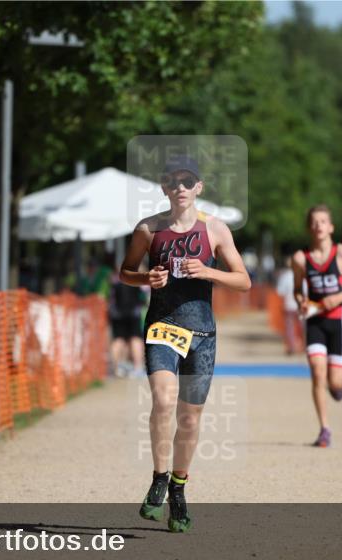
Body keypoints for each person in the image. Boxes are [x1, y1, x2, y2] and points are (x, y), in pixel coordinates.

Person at [119, 155, 250, 533]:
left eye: (186, 181)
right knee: (162, 400)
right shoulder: (148, 229)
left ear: (198, 188)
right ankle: (159, 476)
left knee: (190, 417)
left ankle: (178, 486)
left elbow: (244, 280)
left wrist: (208, 271)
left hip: (202, 335)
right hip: (162, 325)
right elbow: (126, 272)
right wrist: (147, 279)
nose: (179, 188)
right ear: (163, 187)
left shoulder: (216, 231)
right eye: (172, 181)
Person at [291, 205, 342, 447]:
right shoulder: (300, 258)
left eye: (323, 221)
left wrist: (340, 297)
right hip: (315, 320)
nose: (318, 226)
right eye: (314, 222)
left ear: (331, 227)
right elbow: (297, 290)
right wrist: (301, 301)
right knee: (316, 370)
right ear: (308, 227)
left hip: (337, 320)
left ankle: (337, 388)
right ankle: (324, 429)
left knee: (335, 383)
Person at [108, 271, 146, 377]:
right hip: (133, 315)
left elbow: (110, 299)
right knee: (136, 339)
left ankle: (114, 370)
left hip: (117, 315)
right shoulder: (136, 279)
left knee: (118, 340)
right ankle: (138, 368)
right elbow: (143, 297)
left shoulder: (114, 281)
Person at [274, 254, 301, 355]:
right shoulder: (302, 275)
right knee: (302, 327)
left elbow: (280, 291)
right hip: (300, 306)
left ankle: (292, 346)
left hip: (289, 305)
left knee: (289, 328)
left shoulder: (285, 276)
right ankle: (302, 345)